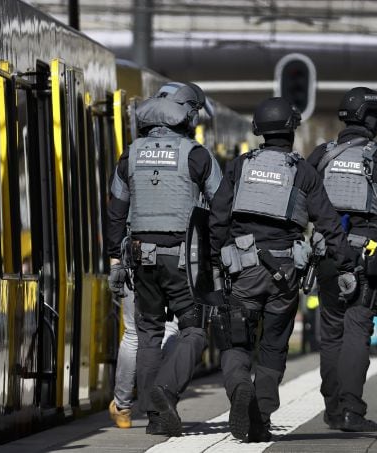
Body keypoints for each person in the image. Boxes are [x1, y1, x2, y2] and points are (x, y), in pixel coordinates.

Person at [208, 97, 357, 442]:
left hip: (241, 270)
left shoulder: (241, 166)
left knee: (235, 340)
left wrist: (215, 259)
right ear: (291, 129)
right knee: (274, 344)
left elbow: (217, 216)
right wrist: (346, 265)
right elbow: (329, 223)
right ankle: (260, 414)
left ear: (258, 130)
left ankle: (239, 388)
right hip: (285, 273)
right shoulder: (302, 171)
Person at [107, 81, 222, 437]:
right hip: (183, 263)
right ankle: (165, 393)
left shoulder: (131, 154)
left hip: (141, 260)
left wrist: (114, 260)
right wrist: (217, 258)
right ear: (187, 114)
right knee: (193, 331)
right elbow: (222, 206)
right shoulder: (197, 155)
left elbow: (115, 211)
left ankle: (155, 418)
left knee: (148, 334)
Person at [307, 87, 377, 432]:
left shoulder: (321, 155)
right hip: (366, 255)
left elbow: (300, 199)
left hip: (325, 253)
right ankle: (352, 410)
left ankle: (333, 409)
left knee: (332, 331)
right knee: (356, 329)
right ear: (371, 120)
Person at [108, 286, 179, 428]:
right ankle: (164, 399)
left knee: (133, 333)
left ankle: (123, 409)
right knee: (170, 330)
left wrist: (116, 266)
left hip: (136, 271)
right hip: (173, 270)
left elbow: (117, 263)